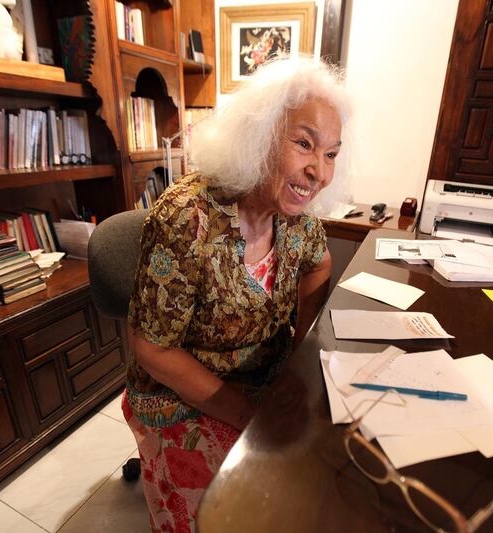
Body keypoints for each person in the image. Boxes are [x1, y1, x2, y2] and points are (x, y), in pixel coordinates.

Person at [123, 57, 351, 532]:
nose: (319, 173)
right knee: (239, 513)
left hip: (262, 377)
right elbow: (151, 347)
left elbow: (319, 265)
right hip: (180, 395)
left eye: (330, 154)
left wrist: (299, 349)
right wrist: (247, 414)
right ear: (261, 135)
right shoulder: (186, 218)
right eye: (304, 144)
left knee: (324, 473)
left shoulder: (295, 214)